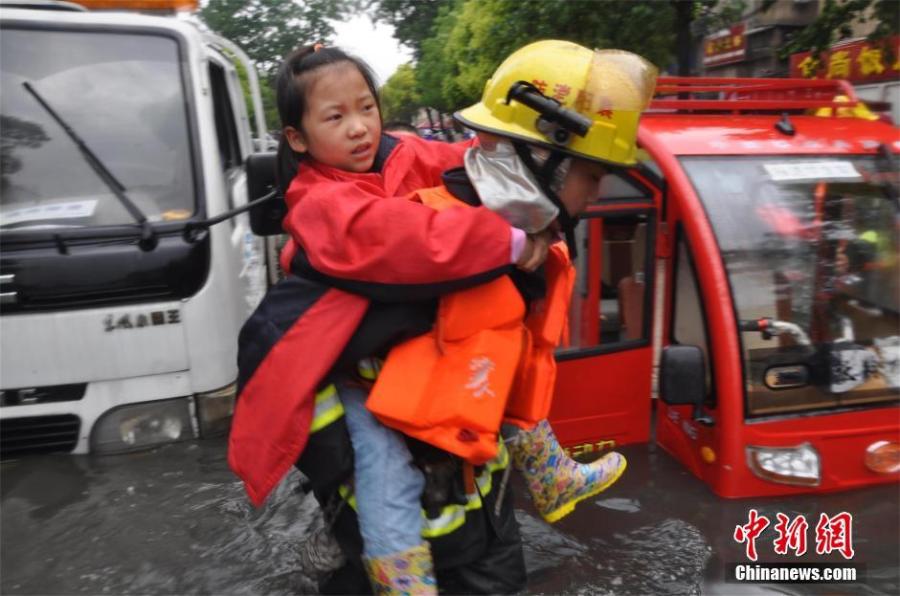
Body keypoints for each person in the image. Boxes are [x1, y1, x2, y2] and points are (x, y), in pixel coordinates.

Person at [230, 41, 655, 594]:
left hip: (467, 473)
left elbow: (474, 159)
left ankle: (551, 473)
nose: (359, 127)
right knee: (383, 467)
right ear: (297, 138)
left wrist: (505, 151)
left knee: (502, 351)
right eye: (335, 117)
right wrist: (508, 240)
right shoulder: (318, 203)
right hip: (353, 378)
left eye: (365, 107)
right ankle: (401, 576)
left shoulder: (404, 153)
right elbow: (405, 239)